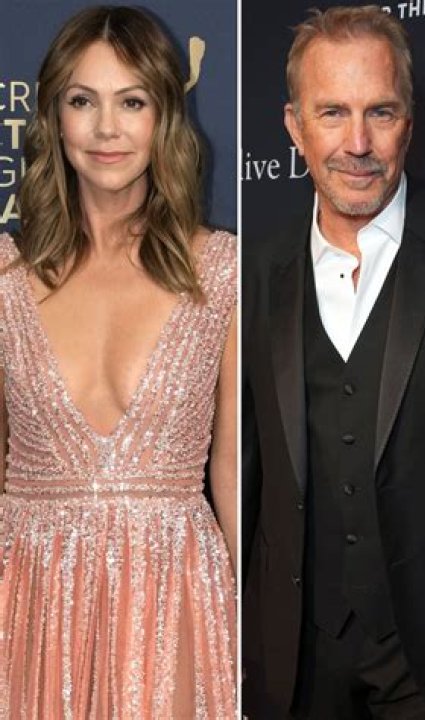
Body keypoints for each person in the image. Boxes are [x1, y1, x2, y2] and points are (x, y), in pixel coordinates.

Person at [0, 6, 236, 717]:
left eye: (131, 102)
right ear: (53, 118)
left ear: (164, 117)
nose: (107, 129)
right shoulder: (5, 278)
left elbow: (231, 471)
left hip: (175, 599)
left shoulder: (221, 272)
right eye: (83, 101)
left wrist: (253, 630)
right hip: (29, 604)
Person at [242, 6, 425, 719]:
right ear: (294, 127)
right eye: (332, 113)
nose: (357, 143)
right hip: (294, 655)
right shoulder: (252, 270)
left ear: (411, 120)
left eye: (380, 112)